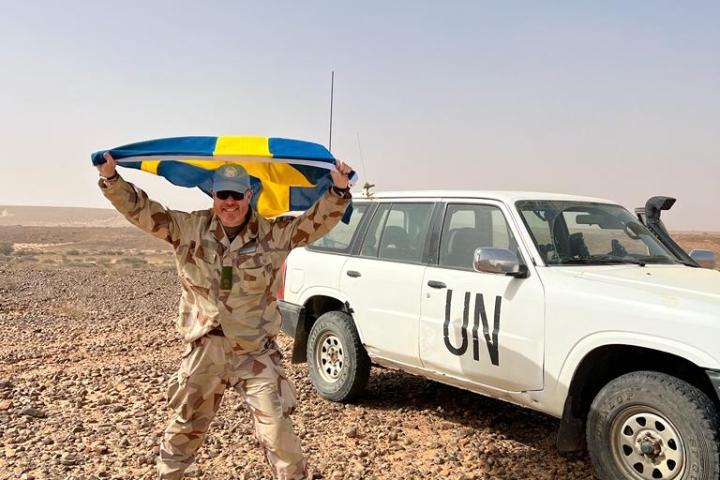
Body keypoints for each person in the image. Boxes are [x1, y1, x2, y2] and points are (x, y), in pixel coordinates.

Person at [96, 152, 353, 480]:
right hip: (207, 348)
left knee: (277, 430)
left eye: (236, 195)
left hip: (255, 351)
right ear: (213, 194)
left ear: (249, 195)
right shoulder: (188, 228)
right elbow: (141, 211)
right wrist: (111, 179)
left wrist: (338, 190)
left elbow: (315, 222)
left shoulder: (273, 235)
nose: (229, 203)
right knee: (185, 427)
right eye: (223, 194)